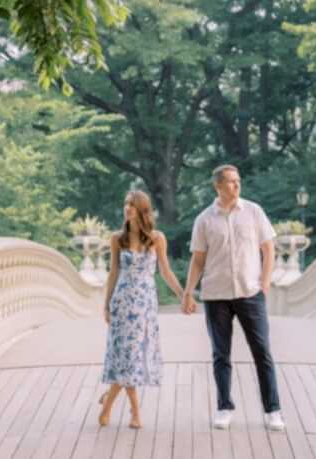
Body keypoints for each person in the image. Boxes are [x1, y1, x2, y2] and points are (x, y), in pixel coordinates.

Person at [182, 164, 286, 432]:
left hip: (250, 293)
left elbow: (268, 247)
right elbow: (198, 260)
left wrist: (264, 281)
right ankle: (224, 407)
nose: (236, 185)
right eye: (230, 181)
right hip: (216, 295)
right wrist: (188, 293)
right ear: (218, 186)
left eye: (238, 180)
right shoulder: (204, 220)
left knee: (262, 351)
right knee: (221, 354)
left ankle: (273, 410)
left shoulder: (253, 211)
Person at [99, 190, 184, 429]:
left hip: (145, 304)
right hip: (122, 302)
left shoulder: (157, 238)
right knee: (126, 356)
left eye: (133, 205)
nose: (127, 208)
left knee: (133, 357)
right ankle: (135, 412)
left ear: (142, 210)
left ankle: (108, 402)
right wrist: (106, 305)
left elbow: (165, 271)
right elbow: (113, 272)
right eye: (126, 204)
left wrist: (183, 295)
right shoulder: (117, 238)